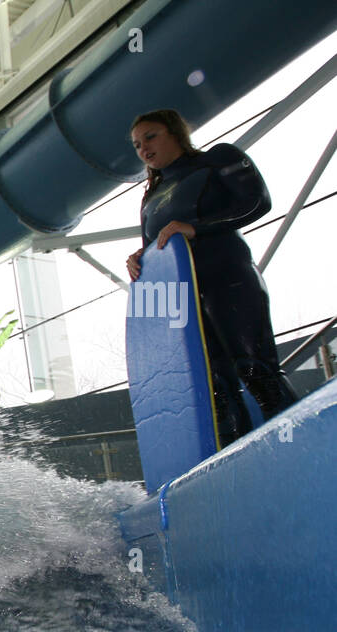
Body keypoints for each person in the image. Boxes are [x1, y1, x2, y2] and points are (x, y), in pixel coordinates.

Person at [126, 108, 298, 447]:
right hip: (185, 300)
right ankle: (243, 474)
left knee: (256, 371)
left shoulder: (218, 159)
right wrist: (140, 258)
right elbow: (158, 249)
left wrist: (197, 228)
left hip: (228, 279)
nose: (143, 148)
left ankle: (305, 452)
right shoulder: (150, 199)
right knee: (216, 389)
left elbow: (257, 203)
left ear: (175, 132)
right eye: (136, 145)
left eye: (150, 136)